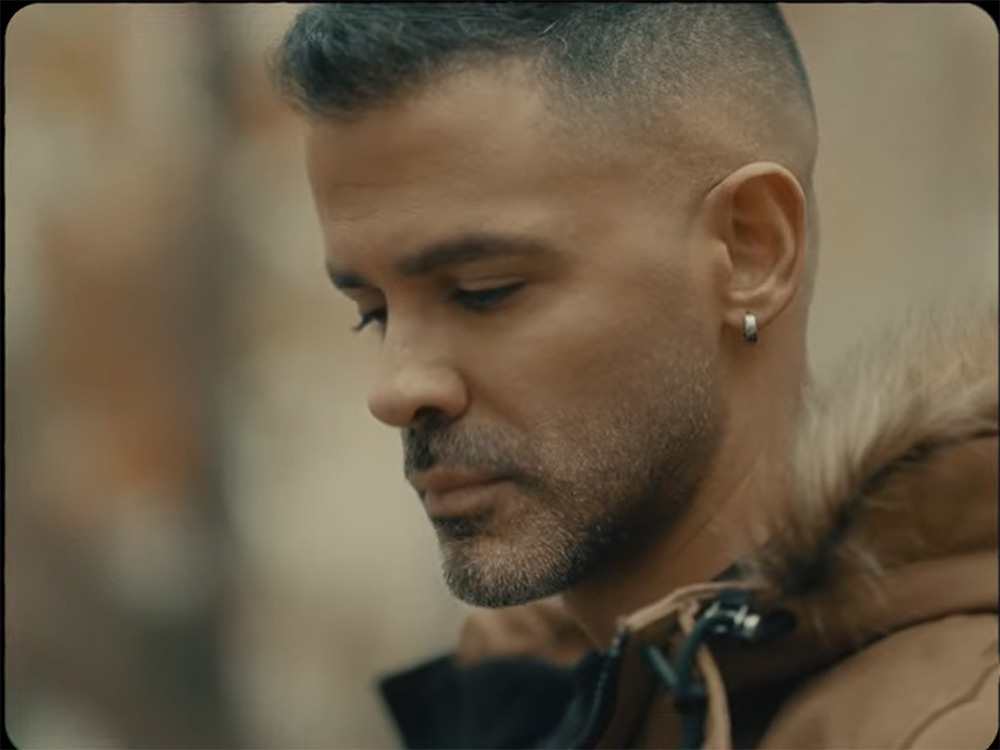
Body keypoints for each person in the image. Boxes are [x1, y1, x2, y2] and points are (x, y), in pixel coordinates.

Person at [273, 4, 998, 748]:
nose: (396, 390)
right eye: (372, 313)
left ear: (751, 250)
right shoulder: (521, 704)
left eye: (484, 290)